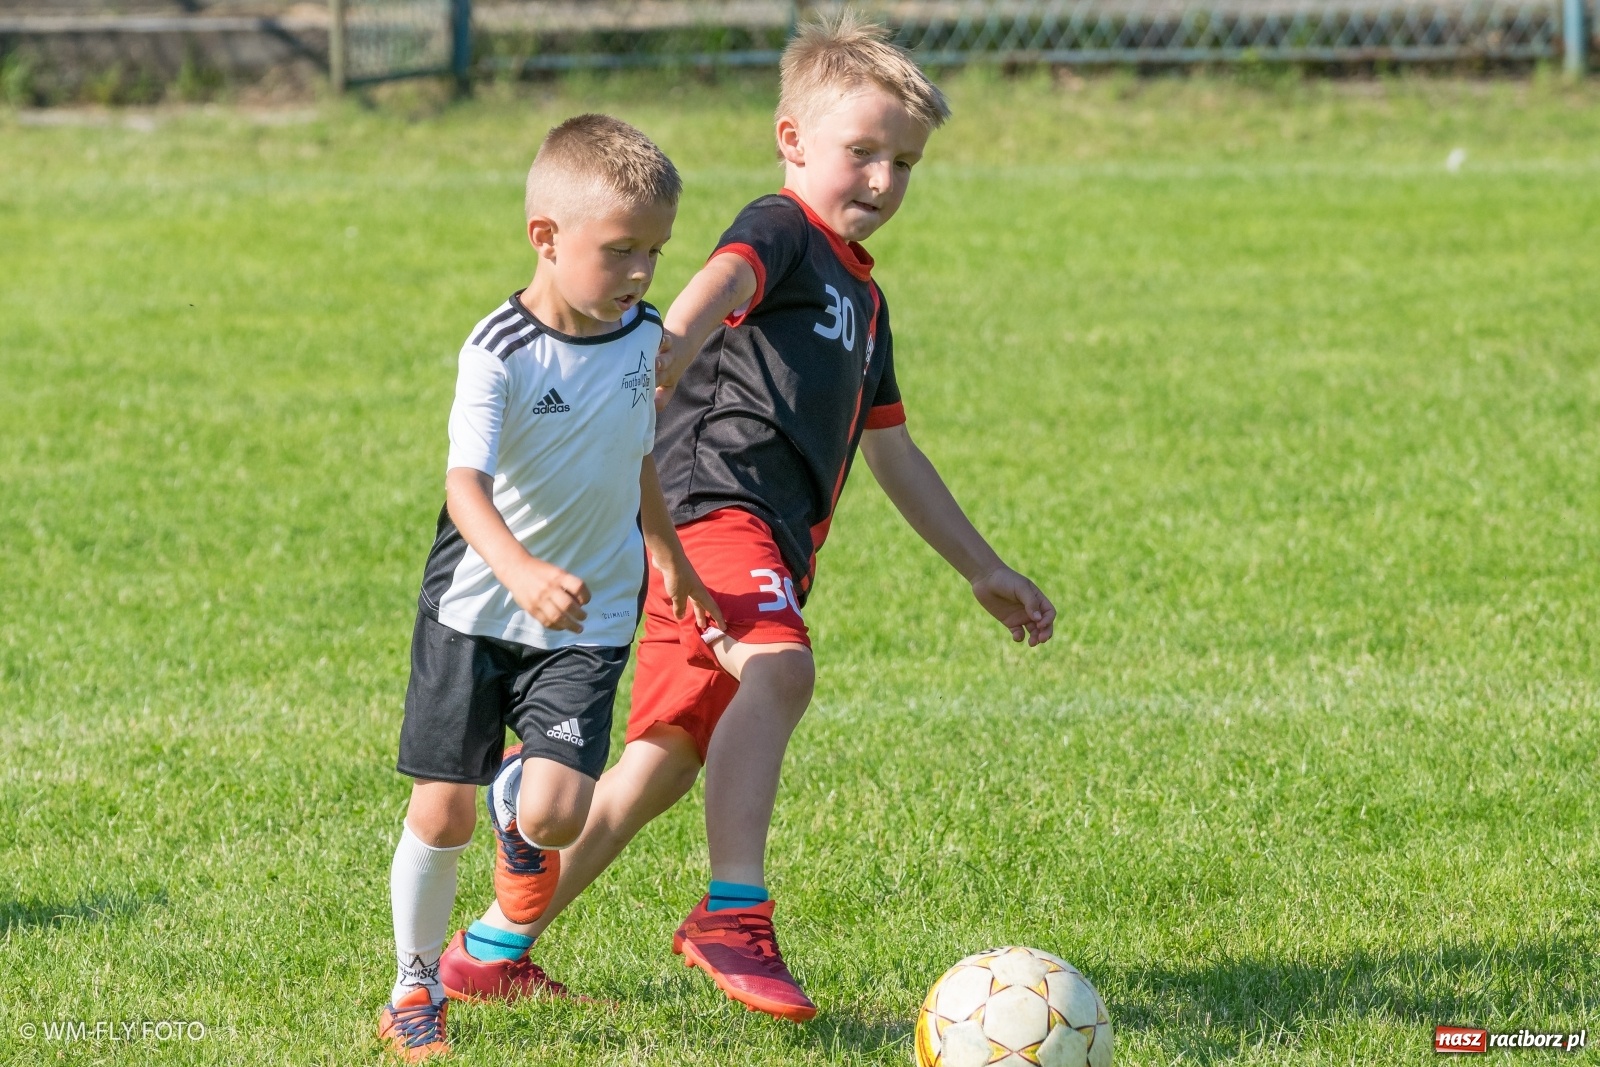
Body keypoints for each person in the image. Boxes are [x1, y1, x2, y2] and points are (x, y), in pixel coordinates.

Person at [456, 11, 1056, 1025]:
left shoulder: (864, 301)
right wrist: (670, 347)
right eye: (860, 152)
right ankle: (732, 910)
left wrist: (979, 566)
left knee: (657, 766)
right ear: (792, 140)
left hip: (764, 535)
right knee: (778, 667)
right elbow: (718, 281)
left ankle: (492, 947)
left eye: (903, 163)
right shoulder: (783, 230)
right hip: (707, 504)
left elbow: (892, 448)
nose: (881, 180)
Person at [378, 113, 722, 1062]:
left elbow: (636, 455)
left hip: (593, 611)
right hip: (478, 611)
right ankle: (414, 986)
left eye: (655, 251)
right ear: (547, 237)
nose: (644, 275)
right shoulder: (498, 348)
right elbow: (463, 486)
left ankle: (515, 814)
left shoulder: (642, 337)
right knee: (439, 813)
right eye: (621, 253)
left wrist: (671, 556)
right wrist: (520, 570)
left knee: (558, 813)